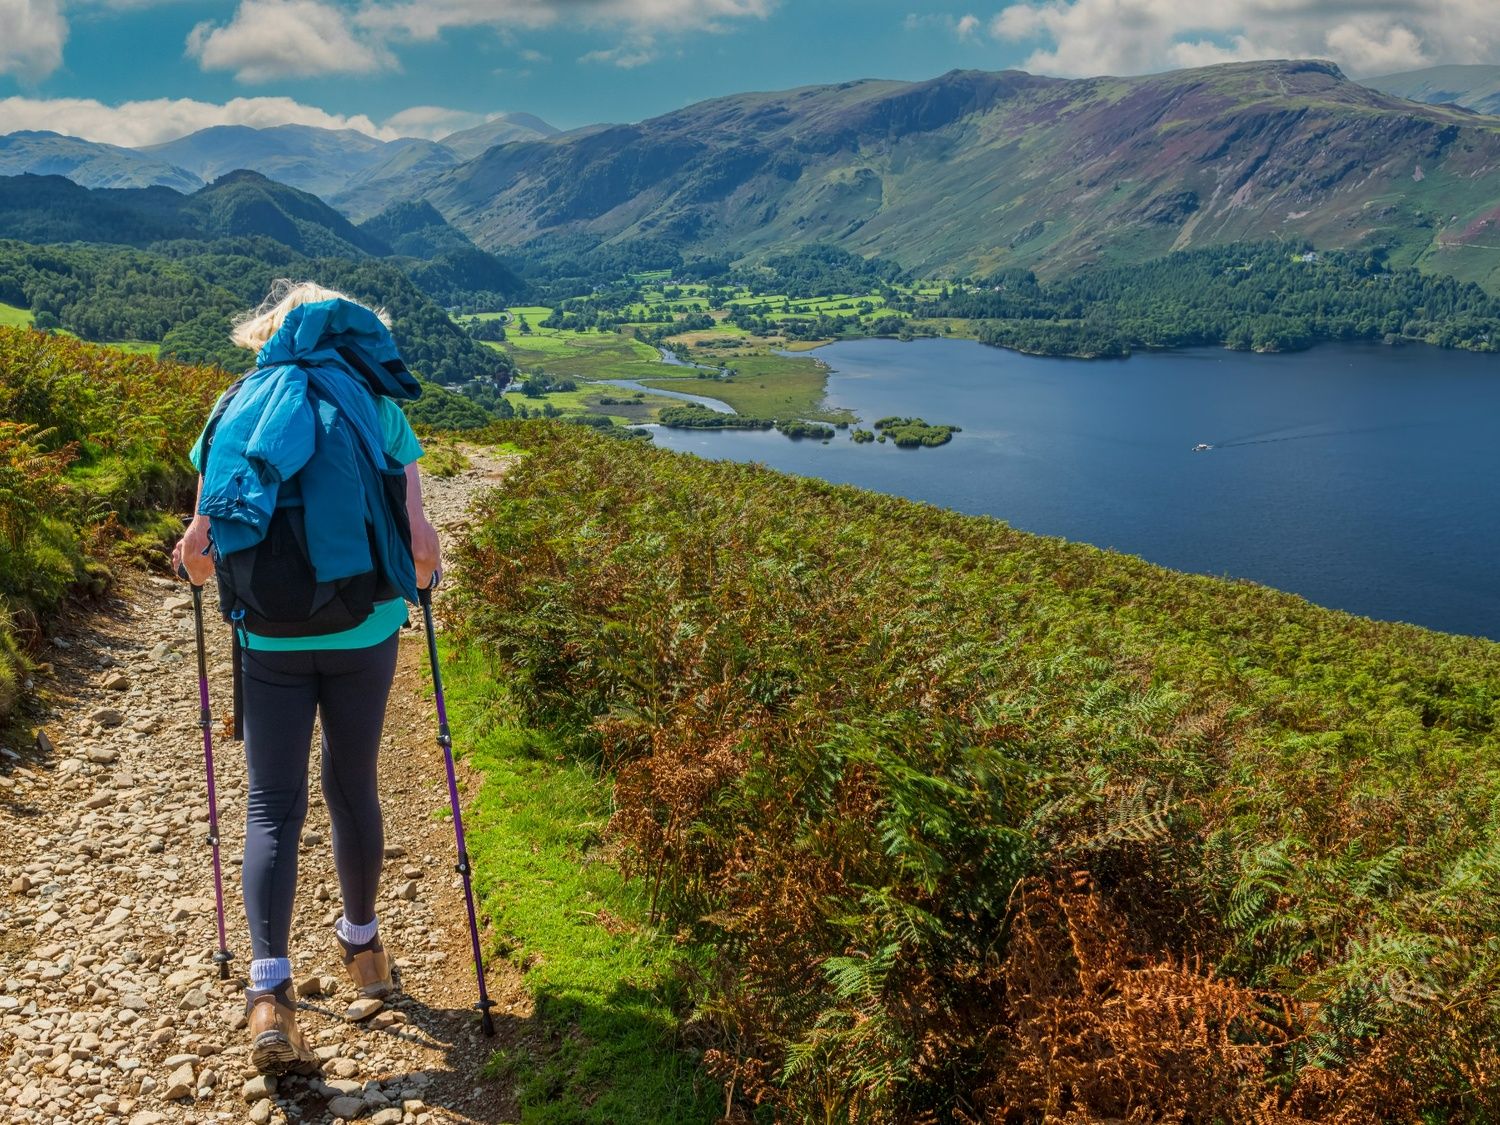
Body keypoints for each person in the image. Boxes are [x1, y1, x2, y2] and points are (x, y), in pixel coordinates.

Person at [171, 280, 441, 1076]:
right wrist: (420, 579)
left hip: (269, 640)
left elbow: (198, 552)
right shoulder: (380, 410)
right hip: (364, 631)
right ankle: (362, 950)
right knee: (352, 785)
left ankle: (269, 994)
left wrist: (194, 574)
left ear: (266, 338)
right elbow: (422, 548)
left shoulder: (231, 412)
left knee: (270, 804)